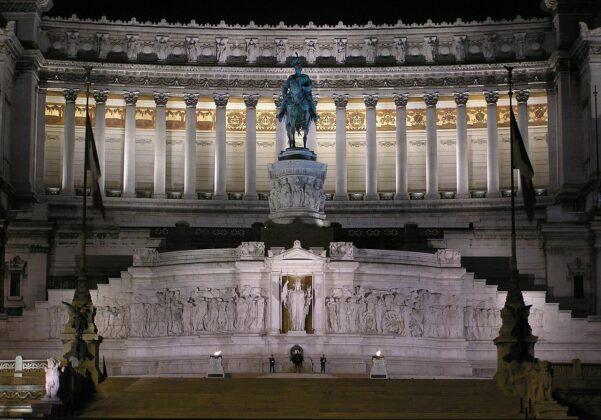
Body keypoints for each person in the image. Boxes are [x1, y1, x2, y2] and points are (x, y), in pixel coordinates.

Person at [276, 55, 318, 149]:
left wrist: (305, 88)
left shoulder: (305, 77)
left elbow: (310, 86)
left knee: (311, 101)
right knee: (285, 101)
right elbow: (285, 87)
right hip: (292, 96)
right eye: (296, 68)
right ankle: (281, 114)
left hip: (303, 94)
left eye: (299, 68)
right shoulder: (291, 78)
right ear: (295, 69)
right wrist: (284, 94)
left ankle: (314, 115)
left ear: (301, 69)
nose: (298, 70)